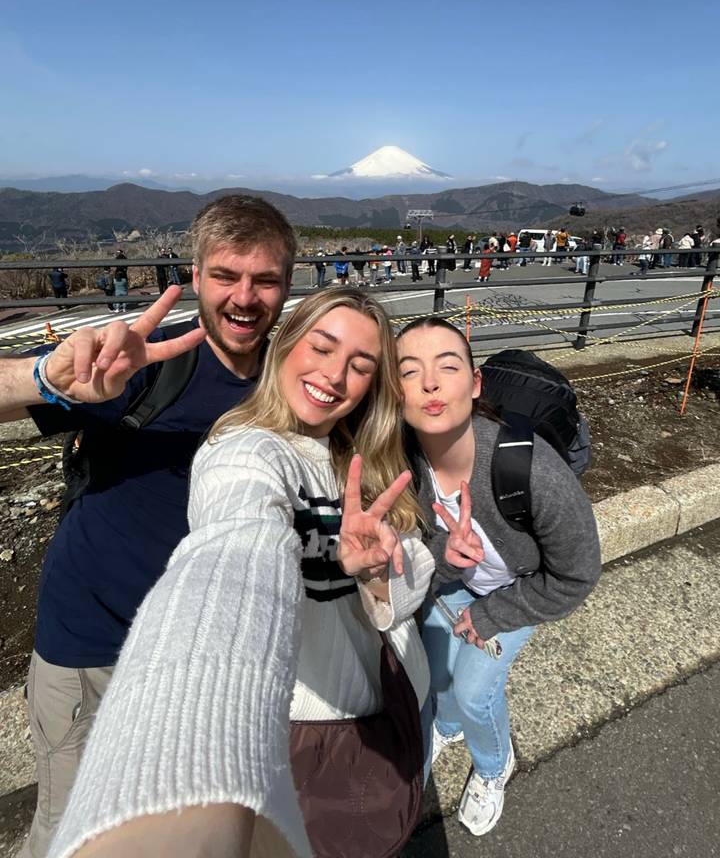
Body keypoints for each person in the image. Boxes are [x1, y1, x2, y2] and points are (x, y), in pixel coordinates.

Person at [49, 289, 435, 858]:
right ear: (284, 346)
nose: (334, 375)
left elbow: (410, 580)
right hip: (308, 736)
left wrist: (377, 572)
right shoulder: (244, 450)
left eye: (361, 366)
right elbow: (236, 545)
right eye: (322, 347)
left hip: (392, 698)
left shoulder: (366, 458)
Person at [0, 196, 296, 858]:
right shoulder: (144, 359)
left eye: (265, 279)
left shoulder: (295, 378)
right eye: (226, 275)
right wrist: (50, 377)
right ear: (194, 276)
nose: (245, 297)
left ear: (287, 285)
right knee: (68, 830)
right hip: (93, 646)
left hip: (202, 659)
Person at [396, 317, 600, 838]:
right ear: (392, 392)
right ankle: (447, 729)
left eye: (448, 365)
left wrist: (491, 614)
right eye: (409, 370)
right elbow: (419, 554)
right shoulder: (403, 463)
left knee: (472, 690)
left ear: (476, 382)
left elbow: (577, 575)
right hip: (456, 583)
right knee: (435, 672)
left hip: (520, 589)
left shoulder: (528, 468)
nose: (431, 383)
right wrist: (446, 556)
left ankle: (493, 767)